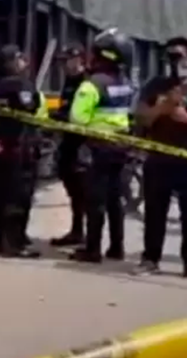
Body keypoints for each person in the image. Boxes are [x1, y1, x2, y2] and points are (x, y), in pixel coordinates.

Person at [132, 36, 187, 281]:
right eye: (169, 56)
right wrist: (162, 108)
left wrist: (186, 118)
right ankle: (150, 258)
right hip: (159, 159)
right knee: (154, 213)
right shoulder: (155, 85)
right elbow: (141, 118)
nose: (174, 61)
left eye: (179, 55)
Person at [0, 45, 45, 258]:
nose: (24, 62)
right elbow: (30, 107)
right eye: (20, 58)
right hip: (18, 149)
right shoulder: (22, 85)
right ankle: (15, 244)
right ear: (11, 62)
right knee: (19, 197)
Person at [68, 29, 135, 264]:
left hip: (98, 149)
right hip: (121, 147)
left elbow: (77, 119)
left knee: (95, 200)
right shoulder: (125, 83)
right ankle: (117, 247)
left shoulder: (92, 85)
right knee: (115, 199)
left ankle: (92, 249)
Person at [50, 43, 89, 247]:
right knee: (73, 188)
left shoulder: (86, 82)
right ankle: (76, 231)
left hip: (83, 144)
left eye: (67, 61)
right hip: (69, 140)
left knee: (84, 189)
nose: (64, 65)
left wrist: (63, 117)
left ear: (79, 60)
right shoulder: (70, 80)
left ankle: (87, 236)